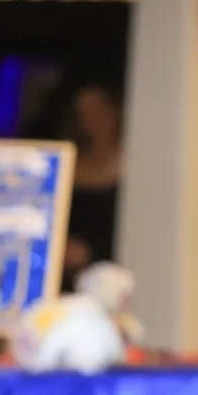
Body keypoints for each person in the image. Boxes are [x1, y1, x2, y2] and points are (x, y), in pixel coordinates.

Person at [62, 84, 124, 291]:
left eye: (99, 111)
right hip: (71, 279)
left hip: (113, 274)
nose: (93, 121)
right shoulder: (71, 162)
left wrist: (91, 251)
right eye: (85, 114)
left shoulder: (133, 163)